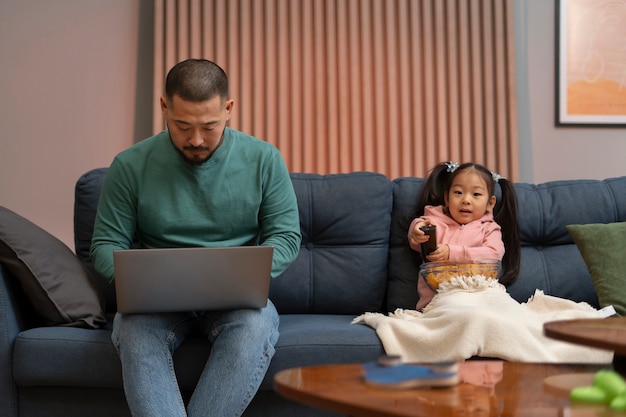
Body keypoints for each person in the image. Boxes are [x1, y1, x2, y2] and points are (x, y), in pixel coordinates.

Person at [90, 59, 302, 417]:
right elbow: (105, 246)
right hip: (155, 303)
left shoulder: (264, 159)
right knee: (130, 329)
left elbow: (286, 236)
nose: (196, 140)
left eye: (210, 126)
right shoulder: (129, 165)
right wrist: (134, 277)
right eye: (182, 126)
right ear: (164, 108)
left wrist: (248, 272)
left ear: (229, 109)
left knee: (255, 326)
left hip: (237, 301)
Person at [407, 161, 520, 310]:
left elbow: (494, 254)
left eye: (476, 194)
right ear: (447, 198)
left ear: (490, 203)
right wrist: (417, 230)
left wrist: (452, 253)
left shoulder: (489, 228)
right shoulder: (434, 222)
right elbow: (420, 239)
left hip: (483, 297)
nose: (466, 200)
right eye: (458, 192)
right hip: (442, 300)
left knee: (507, 309)